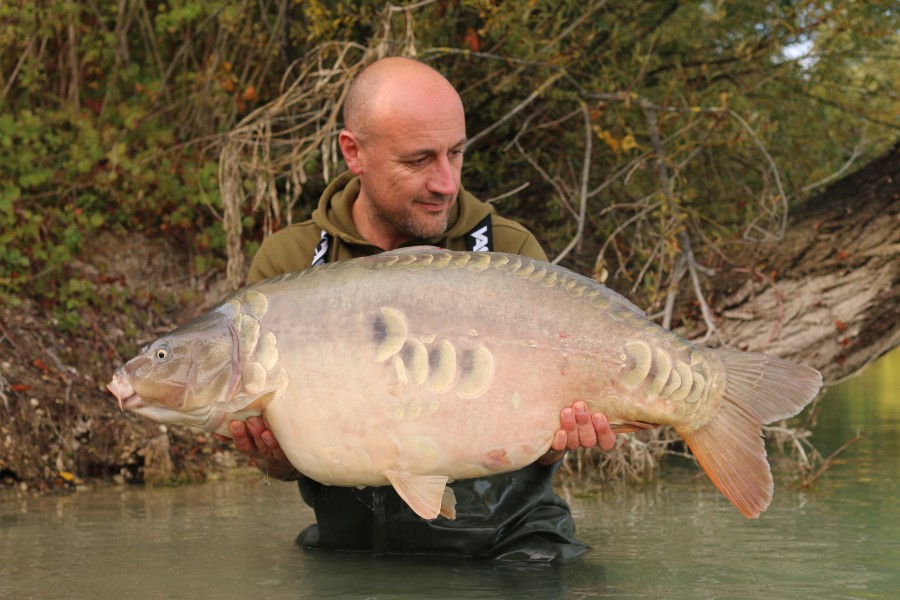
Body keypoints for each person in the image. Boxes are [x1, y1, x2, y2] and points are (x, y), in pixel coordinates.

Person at [222, 57, 616, 563]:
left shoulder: (508, 254)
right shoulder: (290, 266)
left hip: (508, 548)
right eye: (419, 160)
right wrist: (273, 458)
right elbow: (287, 460)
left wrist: (563, 438)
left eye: (456, 153)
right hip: (357, 550)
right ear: (353, 153)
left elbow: (543, 437)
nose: (447, 183)